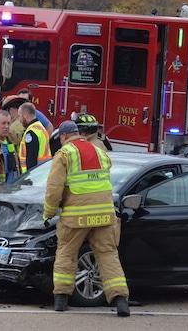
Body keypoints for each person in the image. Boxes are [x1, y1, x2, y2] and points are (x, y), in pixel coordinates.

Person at [43, 120, 130, 316]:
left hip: (76, 217)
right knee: (107, 255)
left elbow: (54, 189)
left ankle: (61, 300)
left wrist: (48, 213)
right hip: (104, 215)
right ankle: (120, 300)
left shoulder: (64, 154)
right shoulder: (100, 152)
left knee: (66, 254)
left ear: (64, 136)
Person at [18, 102, 52, 173]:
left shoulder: (31, 132)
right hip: (43, 173)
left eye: (19, 116)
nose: (19, 120)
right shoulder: (41, 128)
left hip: (34, 176)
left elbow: (31, 159)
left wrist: (28, 178)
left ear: (25, 115)